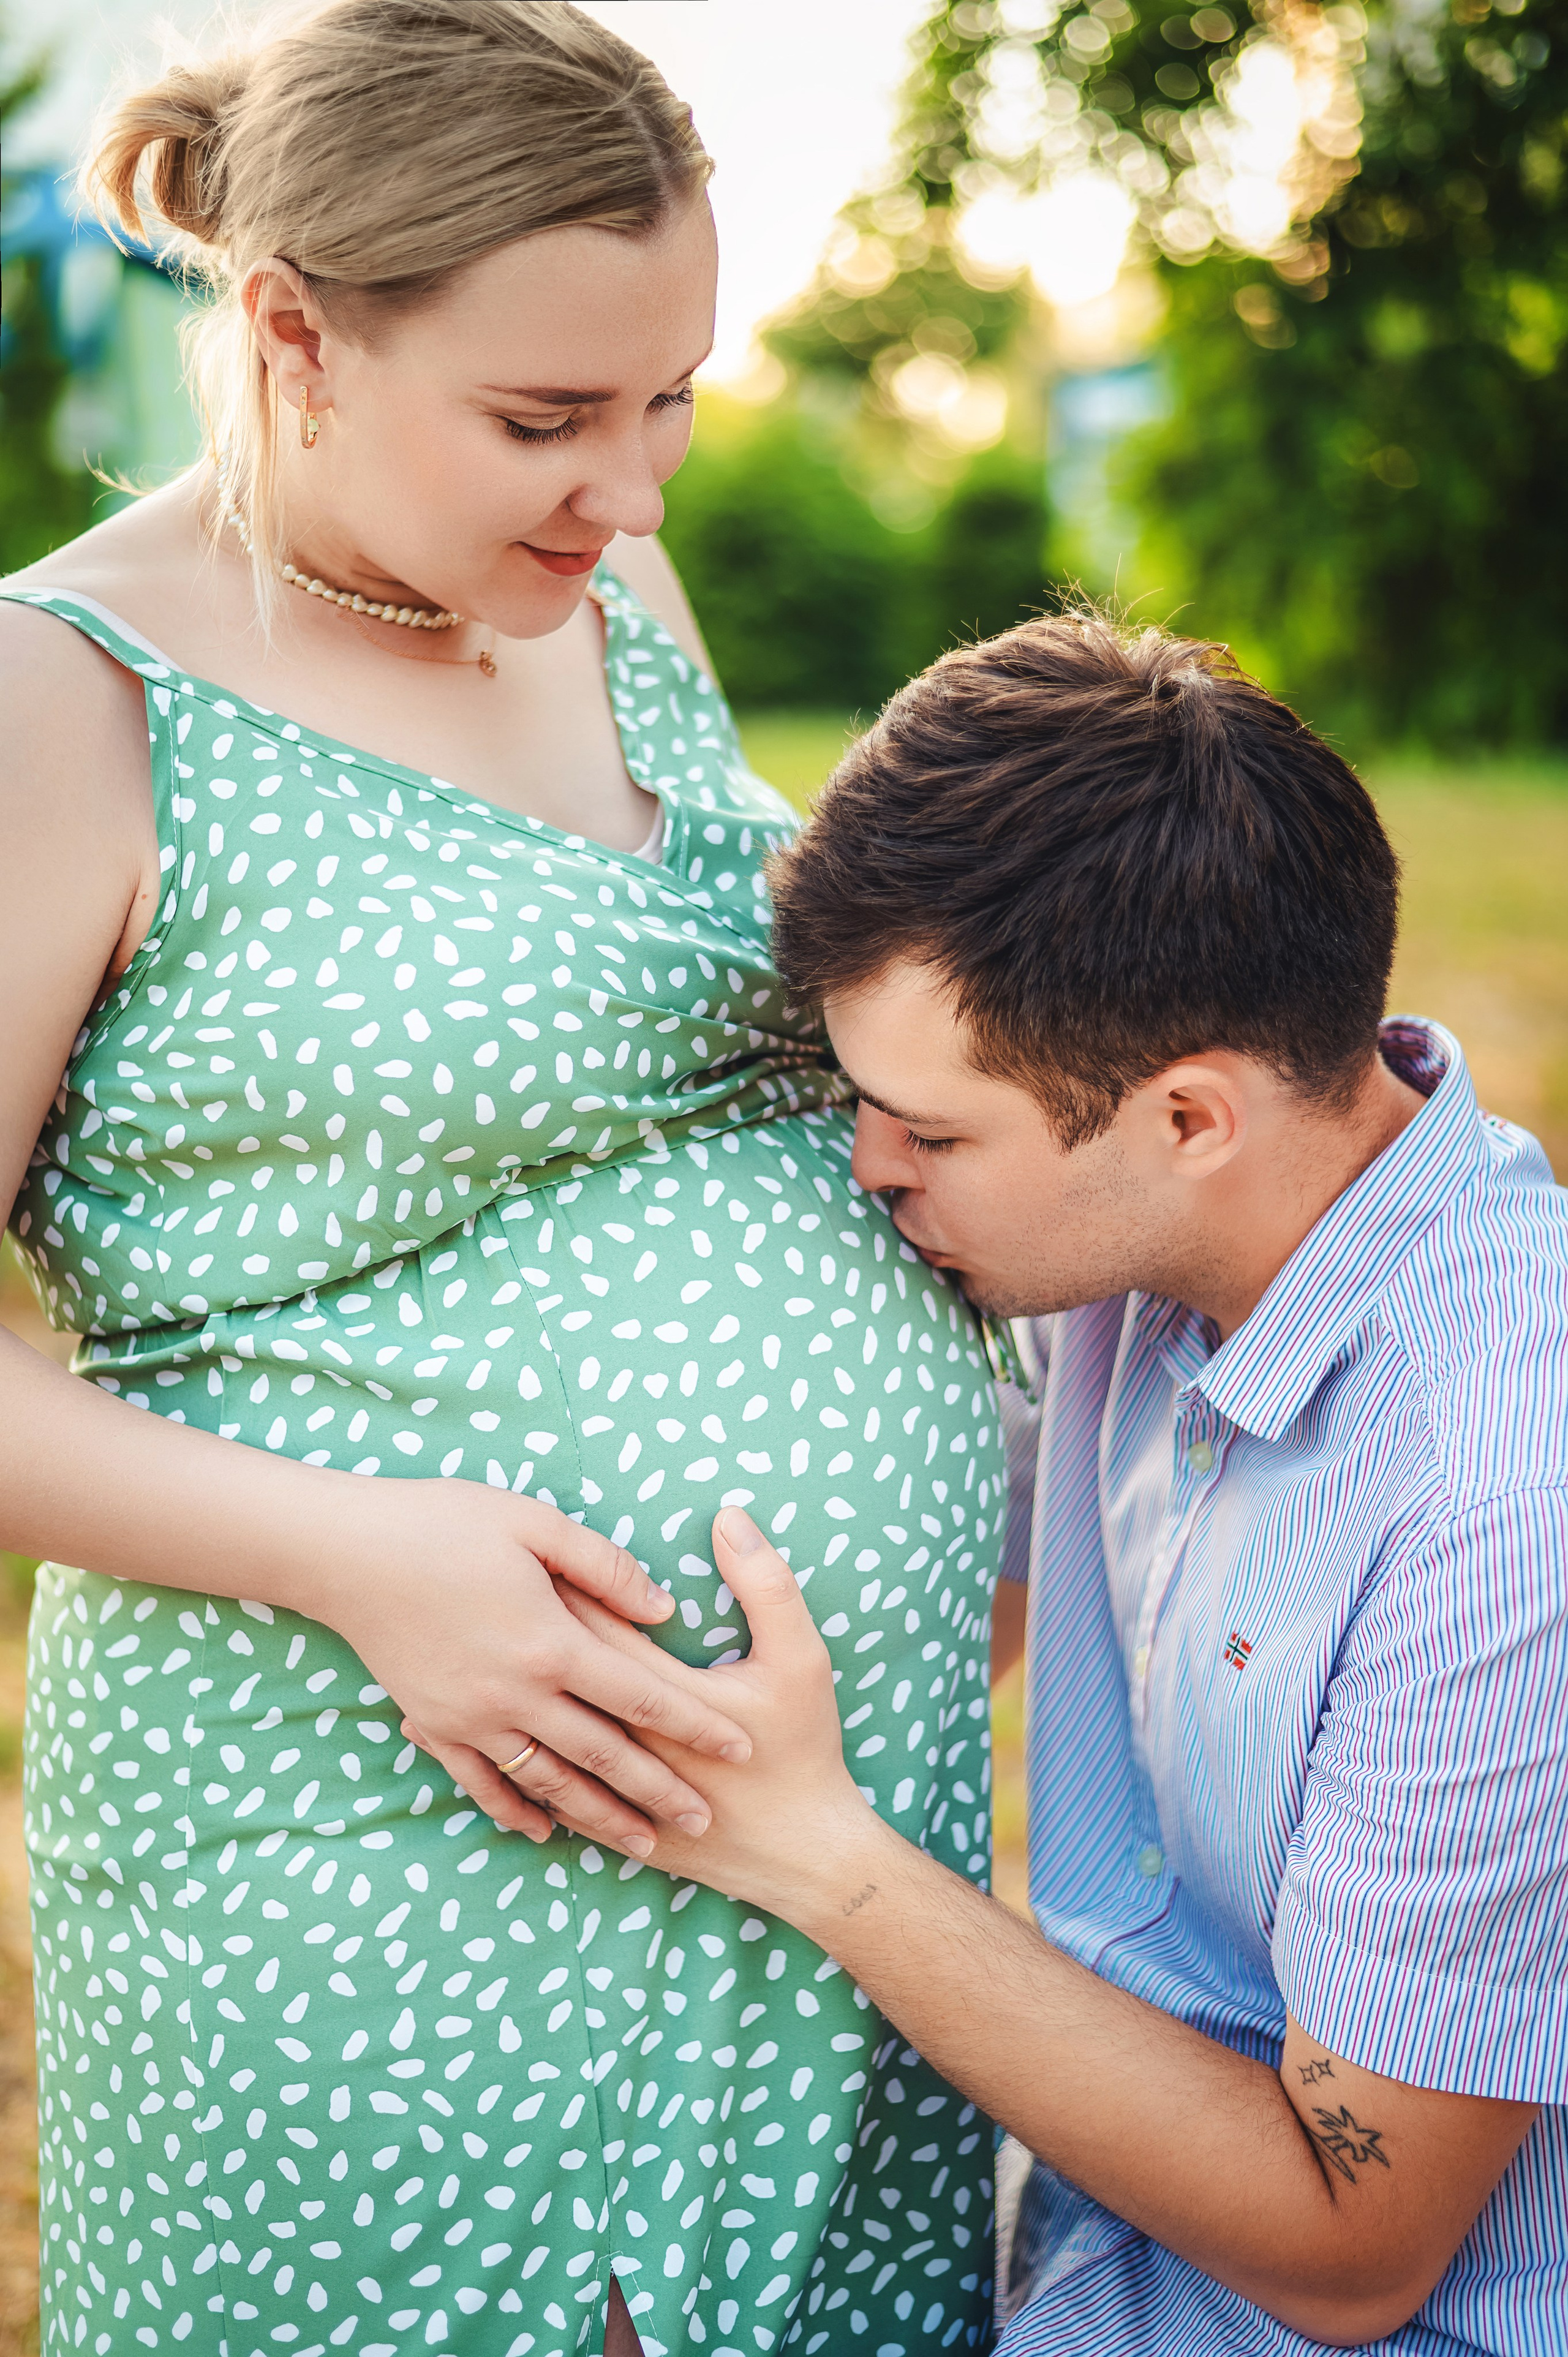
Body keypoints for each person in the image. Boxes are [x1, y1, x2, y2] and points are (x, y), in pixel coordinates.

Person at [0, 7, 1003, 2351]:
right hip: (376, 1844)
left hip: (826, 1852)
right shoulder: (66, 702)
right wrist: (362, 1556)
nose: (633, 490)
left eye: (673, 399)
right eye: (546, 420)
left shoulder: (611, 603)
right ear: (289, 333)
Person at [552, 614, 1568, 2355]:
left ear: (1191, 1119)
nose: (863, 1166)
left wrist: (820, 1854)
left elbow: (1355, 2249)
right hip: (1089, 2271)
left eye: (930, 1133)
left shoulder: (1503, 1498)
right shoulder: (1159, 1247)